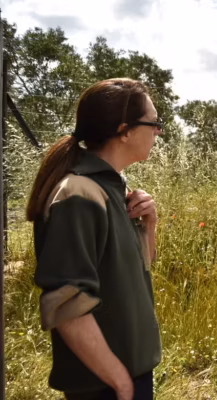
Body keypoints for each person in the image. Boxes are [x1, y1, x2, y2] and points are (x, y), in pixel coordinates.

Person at [27, 78, 164, 400]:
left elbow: (135, 270)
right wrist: (121, 383)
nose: (158, 131)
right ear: (125, 130)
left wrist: (149, 225)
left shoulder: (110, 186)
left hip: (128, 372)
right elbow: (66, 301)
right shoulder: (80, 193)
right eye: (154, 123)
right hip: (105, 384)